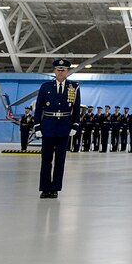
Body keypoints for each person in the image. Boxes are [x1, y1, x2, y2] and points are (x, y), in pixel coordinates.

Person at [36, 58, 81, 198]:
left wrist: (75, 124)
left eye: (63, 70)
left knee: (60, 160)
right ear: (54, 71)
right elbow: (38, 108)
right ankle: (45, 188)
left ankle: (55, 188)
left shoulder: (73, 87)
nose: (60, 72)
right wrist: (37, 125)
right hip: (48, 125)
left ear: (67, 72)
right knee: (46, 159)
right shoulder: (45, 87)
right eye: (58, 70)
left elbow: (76, 108)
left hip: (64, 127)